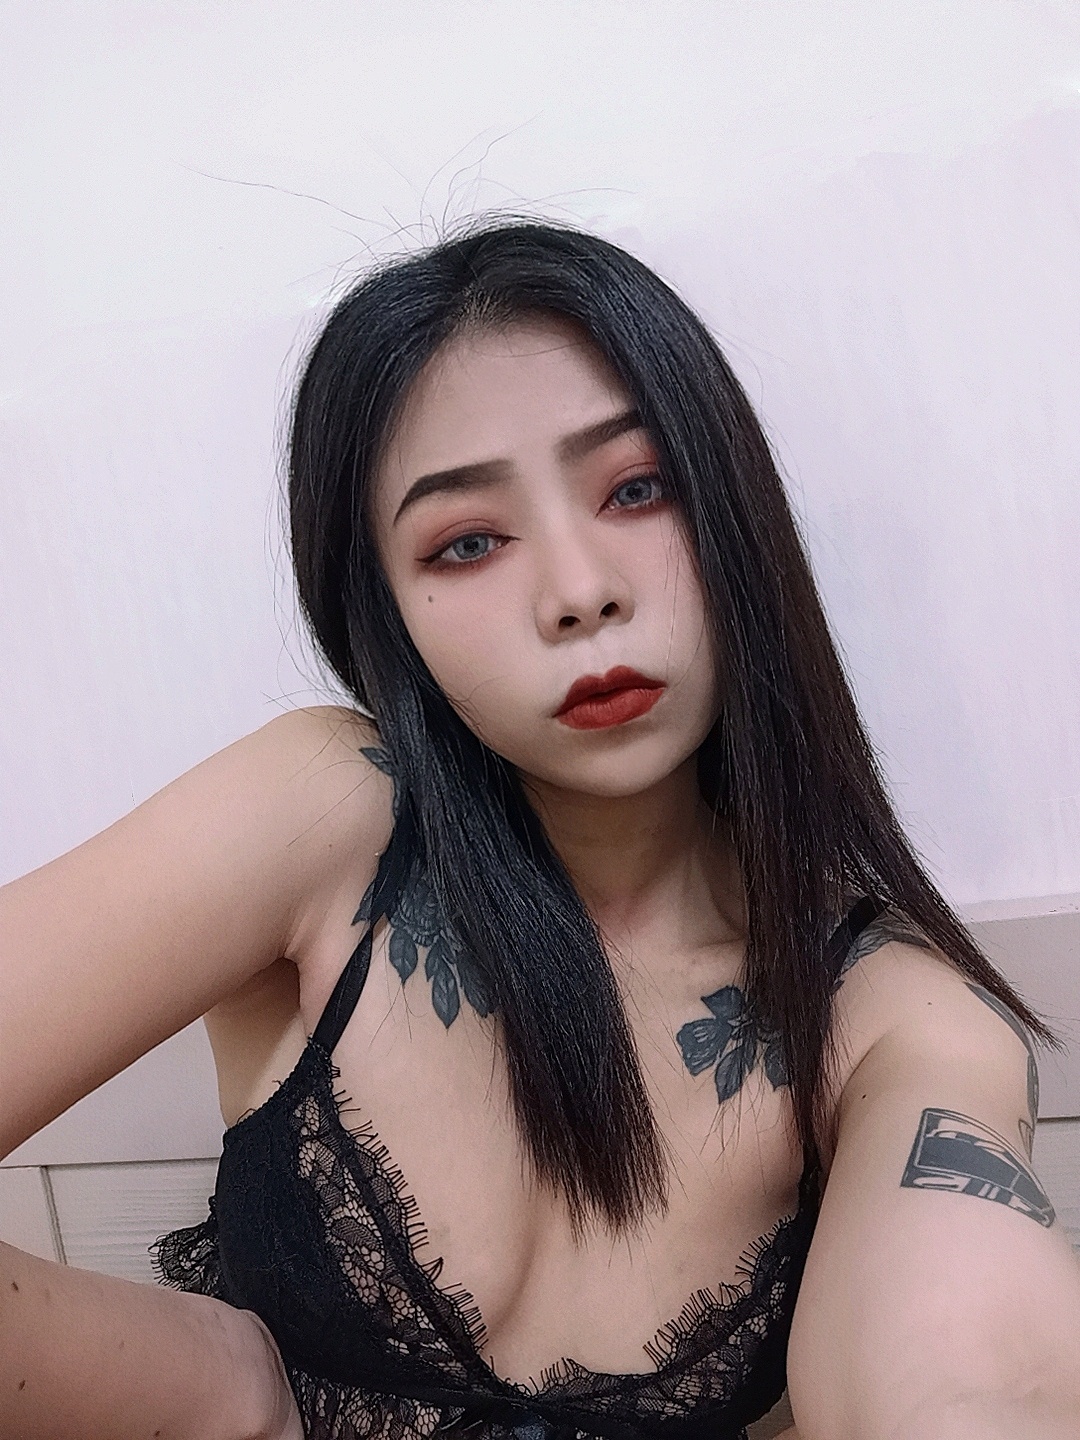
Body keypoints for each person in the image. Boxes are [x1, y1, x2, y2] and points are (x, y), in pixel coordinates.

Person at [2, 219, 1078, 1440]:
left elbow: (980, 1375)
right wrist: (220, 1387)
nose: (579, 592)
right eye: (467, 542)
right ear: (387, 610)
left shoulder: (893, 1013)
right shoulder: (325, 820)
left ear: (735, 509)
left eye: (638, 488)